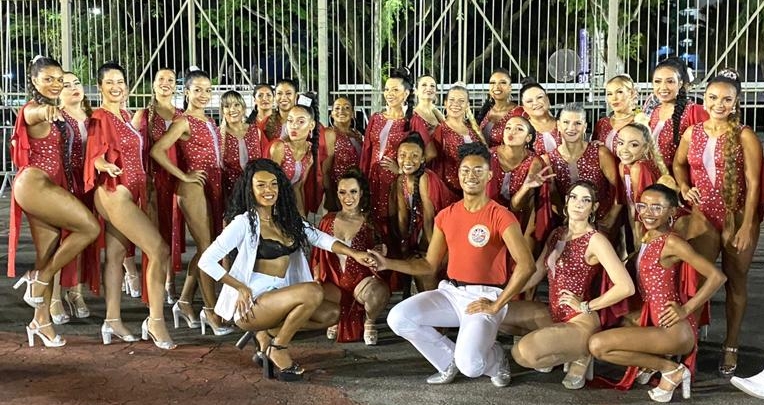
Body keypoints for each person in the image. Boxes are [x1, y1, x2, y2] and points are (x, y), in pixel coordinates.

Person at [369, 142, 535, 387]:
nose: (471, 176)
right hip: (452, 293)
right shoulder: (446, 215)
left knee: (472, 367)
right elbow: (428, 265)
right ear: (458, 175)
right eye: (465, 170)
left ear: (489, 176)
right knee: (398, 317)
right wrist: (388, 264)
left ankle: (495, 357)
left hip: (485, 296)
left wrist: (497, 304)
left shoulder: (500, 214)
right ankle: (448, 360)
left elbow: (526, 265)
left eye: (478, 171)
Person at [198, 159, 377, 381]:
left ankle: (265, 336)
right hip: (253, 301)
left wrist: (355, 254)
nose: (268, 190)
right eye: (261, 185)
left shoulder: (286, 220)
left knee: (331, 313)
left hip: (280, 296)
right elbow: (206, 261)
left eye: (273, 184)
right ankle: (278, 348)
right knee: (313, 291)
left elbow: (319, 238)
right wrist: (239, 287)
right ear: (250, 189)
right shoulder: (243, 223)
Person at [588, 180, 726, 402]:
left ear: (672, 211)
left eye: (657, 207)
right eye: (643, 206)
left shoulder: (672, 242)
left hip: (673, 329)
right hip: (650, 320)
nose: (648, 213)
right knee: (601, 334)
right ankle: (657, 365)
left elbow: (717, 277)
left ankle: (672, 369)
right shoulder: (647, 236)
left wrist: (686, 309)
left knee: (598, 346)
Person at [673, 69, 763, 377]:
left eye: (727, 99)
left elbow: (754, 183)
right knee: (700, 283)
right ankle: (690, 345)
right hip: (702, 219)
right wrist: (684, 188)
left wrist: (748, 226)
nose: (718, 104)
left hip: (735, 219)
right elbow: (678, 163)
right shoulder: (692, 132)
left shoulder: (744, 135)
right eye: (712, 97)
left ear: (737, 102)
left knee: (735, 281)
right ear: (704, 98)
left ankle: (731, 345)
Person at [506, 181, 634, 389]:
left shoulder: (596, 240)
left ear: (593, 207)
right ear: (566, 201)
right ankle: (561, 349)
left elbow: (626, 287)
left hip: (580, 320)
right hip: (554, 312)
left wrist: (587, 306)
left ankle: (582, 353)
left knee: (522, 354)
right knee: (498, 314)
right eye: (573, 197)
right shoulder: (557, 233)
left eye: (586, 200)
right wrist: (502, 295)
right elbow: (538, 272)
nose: (578, 203)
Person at [9, 56, 100, 347]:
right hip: (34, 184)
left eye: (58, 79)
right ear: (34, 81)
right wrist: (46, 111)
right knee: (89, 228)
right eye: (47, 79)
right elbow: (35, 114)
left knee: (48, 254)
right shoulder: (33, 110)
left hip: (48, 187)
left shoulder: (61, 111)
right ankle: (40, 278)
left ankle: (40, 322)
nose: (55, 84)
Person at [84, 61, 174, 348]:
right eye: (109, 82)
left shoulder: (124, 115)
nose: (116, 86)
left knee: (115, 256)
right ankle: (156, 321)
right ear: (100, 87)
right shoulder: (100, 116)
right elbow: (95, 153)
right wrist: (104, 166)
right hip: (113, 191)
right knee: (159, 249)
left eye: (120, 81)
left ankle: (112, 320)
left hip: (126, 192)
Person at [150, 67, 233, 336]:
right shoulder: (183, 121)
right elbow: (157, 151)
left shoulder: (209, 120)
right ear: (186, 92)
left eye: (208, 90)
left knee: (205, 249)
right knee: (208, 250)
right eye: (197, 90)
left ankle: (185, 300)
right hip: (193, 188)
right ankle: (210, 311)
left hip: (214, 186)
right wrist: (183, 176)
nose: (203, 95)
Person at [311, 168, 390, 345]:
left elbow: (382, 252)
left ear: (361, 193)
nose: (348, 197)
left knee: (379, 292)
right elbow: (316, 255)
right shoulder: (327, 220)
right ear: (337, 194)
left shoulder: (370, 222)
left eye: (353, 192)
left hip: (361, 282)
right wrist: (317, 278)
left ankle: (369, 321)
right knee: (313, 293)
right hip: (333, 282)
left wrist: (380, 252)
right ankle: (334, 316)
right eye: (343, 192)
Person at [133, 68, 185, 305]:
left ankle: (170, 280)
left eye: (170, 80)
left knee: (173, 231)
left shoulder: (182, 115)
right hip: (153, 182)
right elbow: (133, 151)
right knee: (155, 234)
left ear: (176, 86)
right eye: (161, 79)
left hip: (177, 180)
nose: (166, 83)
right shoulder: (143, 115)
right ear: (153, 85)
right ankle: (152, 284)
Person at [53, 70, 96, 323]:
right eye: (66, 85)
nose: (73, 88)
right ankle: (55, 296)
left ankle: (76, 292)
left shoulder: (94, 118)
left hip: (89, 185)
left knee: (85, 241)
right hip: (64, 184)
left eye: (77, 83)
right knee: (62, 241)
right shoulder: (57, 118)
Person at [390, 133, 458, 291]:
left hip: (444, 231)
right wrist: (404, 245)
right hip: (420, 230)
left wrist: (429, 252)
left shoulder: (425, 178)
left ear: (422, 159)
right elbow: (402, 215)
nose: (407, 160)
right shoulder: (400, 181)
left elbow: (430, 217)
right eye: (403, 155)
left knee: (428, 269)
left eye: (414, 156)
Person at [542, 103, 620, 238]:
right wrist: (571, 223)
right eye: (566, 122)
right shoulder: (548, 159)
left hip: (602, 223)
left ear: (585, 127)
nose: (571, 128)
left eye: (577, 123)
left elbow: (620, 187)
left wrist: (612, 216)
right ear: (558, 125)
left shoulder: (600, 153)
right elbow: (554, 199)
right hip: (567, 226)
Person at [360, 67, 415, 240]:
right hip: (372, 179)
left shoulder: (411, 121)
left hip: (394, 182)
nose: (389, 93)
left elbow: (422, 154)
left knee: (393, 224)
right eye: (386, 89)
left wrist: (400, 171)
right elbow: (366, 152)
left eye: (395, 90)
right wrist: (362, 179)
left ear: (406, 93)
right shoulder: (376, 118)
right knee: (370, 221)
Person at [487, 116, 553, 256]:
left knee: (533, 210)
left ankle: (524, 259)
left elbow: (516, 206)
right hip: (488, 214)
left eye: (519, 129)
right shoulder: (488, 156)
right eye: (508, 128)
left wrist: (525, 187)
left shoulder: (534, 162)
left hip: (519, 215)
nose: (512, 132)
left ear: (528, 138)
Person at [648, 58, 707, 171]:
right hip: (653, 179)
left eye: (670, 81)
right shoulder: (654, 111)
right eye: (657, 81)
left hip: (679, 181)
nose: (663, 87)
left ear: (680, 84)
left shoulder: (693, 111)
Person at [614, 123, 666, 249]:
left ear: (646, 148)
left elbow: (641, 206)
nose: (624, 149)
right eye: (621, 143)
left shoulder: (639, 167)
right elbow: (630, 205)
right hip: (639, 219)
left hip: (651, 221)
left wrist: (638, 235)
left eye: (634, 145)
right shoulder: (623, 166)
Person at [268, 92, 319, 217]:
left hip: (290, 203)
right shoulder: (279, 148)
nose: (294, 126)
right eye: (290, 121)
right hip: (271, 203)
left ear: (311, 125)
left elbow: (298, 187)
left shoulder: (310, 151)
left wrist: (302, 217)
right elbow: (270, 185)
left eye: (301, 121)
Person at [431, 84, 484, 194]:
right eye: (452, 100)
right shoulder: (440, 130)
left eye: (461, 101)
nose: (456, 104)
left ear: (467, 105)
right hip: (450, 191)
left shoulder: (472, 129)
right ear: (445, 103)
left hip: (473, 187)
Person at [321, 97, 363, 212]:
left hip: (356, 191)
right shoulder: (330, 133)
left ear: (353, 113)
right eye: (337, 108)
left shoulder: (357, 134)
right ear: (332, 114)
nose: (341, 111)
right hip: (338, 192)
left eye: (346, 108)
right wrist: (330, 196)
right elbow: (325, 170)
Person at [219, 90, 263, 200]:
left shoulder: (255, 131)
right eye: (227, 106)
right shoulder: (218, 134)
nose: (232, 109)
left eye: (236, 105)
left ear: (243, 108)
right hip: (230, 193)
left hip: (255, 191)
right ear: (222, 111)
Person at [476, 68, 522, 148]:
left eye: (503, 83)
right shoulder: (487, 110)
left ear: (510, 87)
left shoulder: (519, 112)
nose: (496, 86)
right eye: (492, 83)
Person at [595, 74, 638, 154]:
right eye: (609, 94)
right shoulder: (602, 123)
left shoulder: (639, 123)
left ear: (631, 93)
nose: (614, 98)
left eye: (619, 92)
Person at [518, 79, 561, 154]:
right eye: (529, 101)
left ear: (547, 99)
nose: (536, 103)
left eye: (539, 97)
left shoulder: (563, 123)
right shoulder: (521, 130)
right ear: (523, 107)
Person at [409, 74, 441, 161]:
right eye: (424, 85)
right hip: (424, 167)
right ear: (416, 91)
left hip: (442, 164)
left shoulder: (438, 115)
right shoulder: (412, 116)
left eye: (432, 86)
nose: (429, 88)